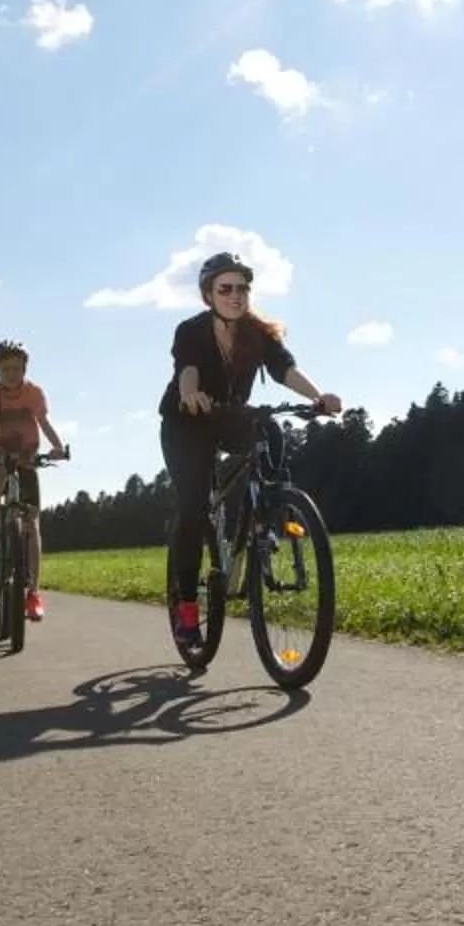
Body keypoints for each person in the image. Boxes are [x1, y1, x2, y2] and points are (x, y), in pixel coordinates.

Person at [157, 252, 340, 649]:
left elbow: (284, 369)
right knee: (192, 510)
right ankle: (186, 608)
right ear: (209, 294)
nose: (236, 295)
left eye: (242, 288)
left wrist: (318, 395)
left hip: (230, 417)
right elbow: (187, 369)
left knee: (270, 432)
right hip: (186, 423)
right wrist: (190, 394)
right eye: (226, 288)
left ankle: (268, 515)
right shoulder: (191, 331)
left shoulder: (259, 332)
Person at [0, 338, 68, 623]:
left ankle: (33, 592)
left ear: (24, 368)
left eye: (17, 368)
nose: (11, 373)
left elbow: (44, 422)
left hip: (27, 455)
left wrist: (58, 447)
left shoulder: (34, 393)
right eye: (5, 368)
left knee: (31, 522)